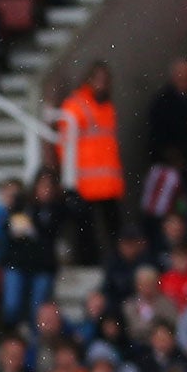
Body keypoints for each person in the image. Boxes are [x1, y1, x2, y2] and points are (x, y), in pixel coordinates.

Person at [60, 62, 122, 262]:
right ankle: (88, 262)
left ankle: (112, 261)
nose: (103, 84)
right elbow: (65, 145)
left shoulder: (106, 106)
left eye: (106, 80)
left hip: (107, 181)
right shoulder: (76, 105)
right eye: (99, 79)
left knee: (112, 229)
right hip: (85, 181)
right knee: (86, 232)